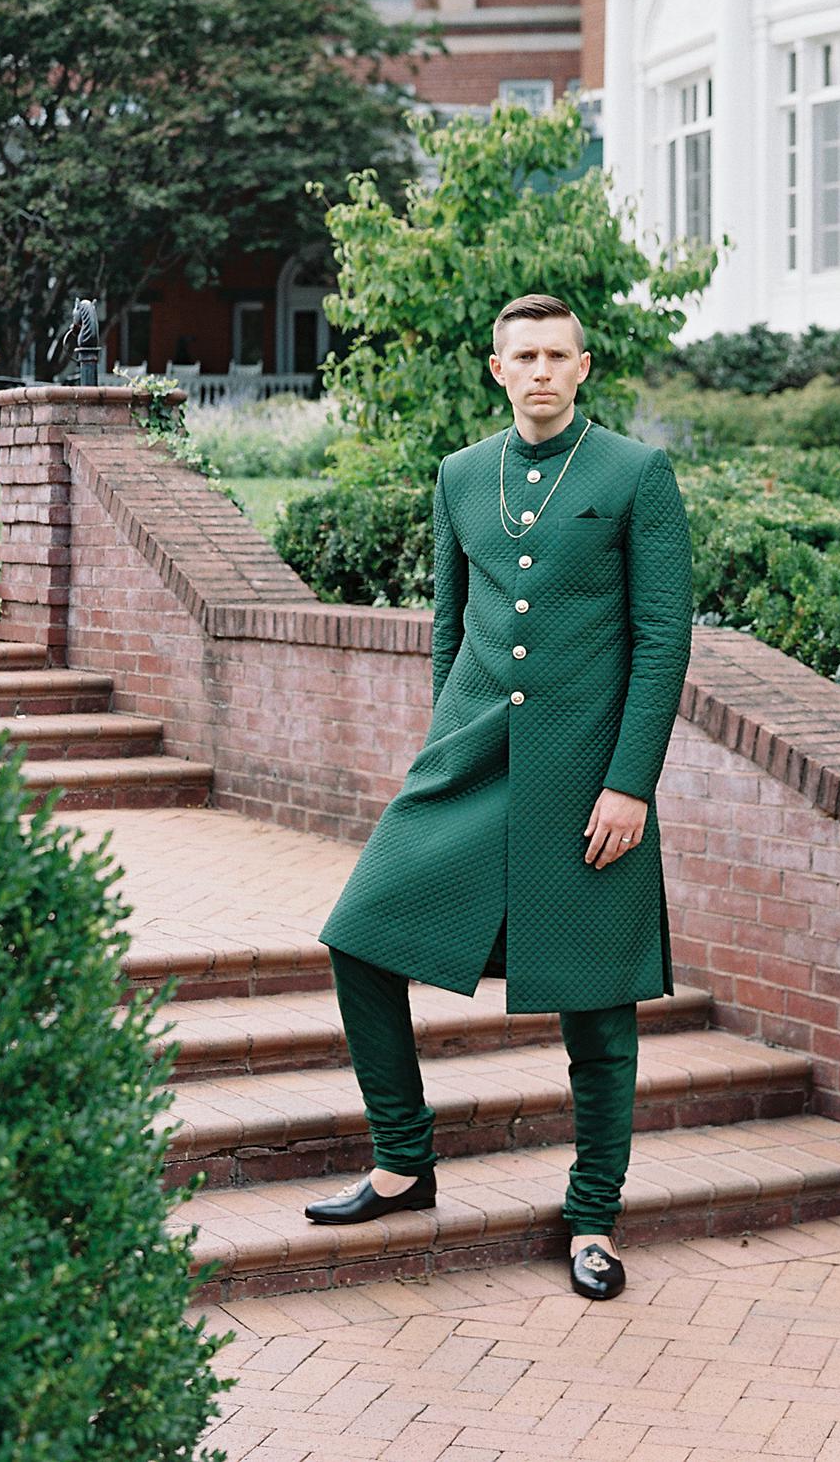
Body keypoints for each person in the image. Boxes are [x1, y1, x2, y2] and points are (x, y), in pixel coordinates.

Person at [307, 292, 694, 1300]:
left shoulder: (636, 474)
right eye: (523, 354)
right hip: (470, 763)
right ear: (496, 366)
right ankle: (403, 1161)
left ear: (583, 365)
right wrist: (444, 741)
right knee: (359, 933)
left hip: (585, 780)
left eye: (557, 355)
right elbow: (450, 622)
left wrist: (629, 783)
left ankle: (594, 1217)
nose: (539, 371)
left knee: (598, 1016)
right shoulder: (460, 476)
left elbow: (662, 641)